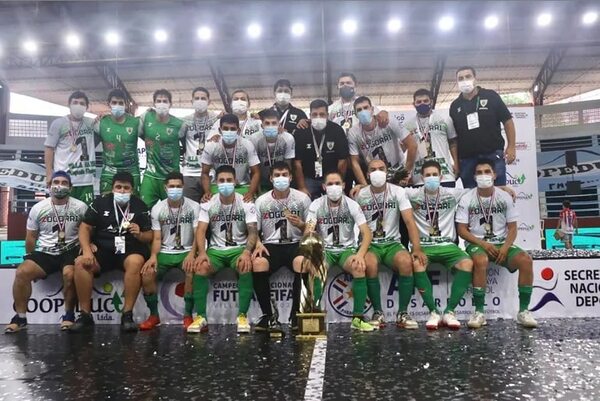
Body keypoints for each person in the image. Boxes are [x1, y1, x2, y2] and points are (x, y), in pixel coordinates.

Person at [456, 159, 537, 329]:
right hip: (478, 243)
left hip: (502, 243)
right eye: (479, 172)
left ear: (494, 175)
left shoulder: (505, 196)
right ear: (474, 176)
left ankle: (524, 311)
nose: (483, 175)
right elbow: (462, 230)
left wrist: (506, 247)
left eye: (487, 171)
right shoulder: (467, 198)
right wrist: (483, 244)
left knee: (525, 260)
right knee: (480, 260)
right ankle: (479, 312)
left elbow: (513, 228)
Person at [5, 171, 88, 333]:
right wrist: (30, 258)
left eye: (64, 183)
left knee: (70, 274)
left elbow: (87, 230)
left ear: (70, 188)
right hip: (45, 252)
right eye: (56, 182)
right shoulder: (38, 208)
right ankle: (20, 317)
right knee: (22, 272)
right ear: (49, 186)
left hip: (70, 251)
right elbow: (31, 237)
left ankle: (69, 315)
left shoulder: (80, 207)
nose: (60, 185)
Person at [70, 172, 153, 332]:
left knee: (136, 262)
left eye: (126, 188)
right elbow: (84, 227)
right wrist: (87, 250)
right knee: (80, 263)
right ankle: (85, 315)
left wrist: (140, 234)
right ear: (112, 188)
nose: (122, 191)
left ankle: (127, 314)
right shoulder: (100, 202)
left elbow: (151, 235)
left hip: (130, 249)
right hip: (103, 249)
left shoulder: (140, 206)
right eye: (118, 187)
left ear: (132, 190)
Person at [298, 170, 375, 332]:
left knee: (359, 267)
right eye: (330, 184)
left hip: (346, 250)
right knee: (317, 268)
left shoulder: (352, 204)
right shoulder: (316, 204)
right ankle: (315, 315)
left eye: (337, 184)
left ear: (344, 185)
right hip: (326, 250)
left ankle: (357, 318)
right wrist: (312, 250)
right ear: (324, 187)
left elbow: (367, 232)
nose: (334, 187)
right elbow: (308, 231)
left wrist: (360, 255)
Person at [354, 160, 424, 329]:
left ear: (387, 172)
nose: (377, 172)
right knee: (369, 263)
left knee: (406, 262)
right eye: (373, 169)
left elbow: (409, 221)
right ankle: (378, 312)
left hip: (392, 243)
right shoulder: (361, 195)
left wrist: (416, 247)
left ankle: (403, 313)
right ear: (367, 174)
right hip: (371, 244)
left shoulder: (398, 192)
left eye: (381, 169)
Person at [187, 165, 258, 334]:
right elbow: (201, 230)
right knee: (201, 266)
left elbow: (253, 231)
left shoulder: (246, 203)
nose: (225, 184)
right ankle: (201, 317)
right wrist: (202, 253)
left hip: (238, 249)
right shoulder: (208, 204)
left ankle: (242, 316)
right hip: (215, 251)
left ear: (235, 182)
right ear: (215, 183)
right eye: (221, 181)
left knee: (245, 265)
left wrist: (247, 252)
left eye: (229, 180)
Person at [404, 160, 474, 330]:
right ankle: (434, 312)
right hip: (424, 246)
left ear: (441, 176)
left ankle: (450, 311)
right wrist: (362, 187)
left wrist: (503, 188)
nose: (432, 178)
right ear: (422, 177)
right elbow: (388, 190)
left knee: (467, 263)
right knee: (416, 264)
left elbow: (477, 191)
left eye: (435, 175)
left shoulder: (452, 193)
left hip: (447, 245)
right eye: (428, 175)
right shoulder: (412, 194)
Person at [252, 162, 312, 333]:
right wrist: (257, 243)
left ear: (291, 177)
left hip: (295, 243)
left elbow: (311, 228)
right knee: (258, 264)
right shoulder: (261, 201)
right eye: (277, 175)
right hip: (271, 244)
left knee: (302, 262)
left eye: (284, 174)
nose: (281, 178)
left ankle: (296, 314)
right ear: (270, 178)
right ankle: (268, 316)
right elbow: (254, 229)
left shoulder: (302, 198)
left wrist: (301, 224)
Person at [139, 172, 201, 330]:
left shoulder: (194, 207)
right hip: (165, 252)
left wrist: (192, 255)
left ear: (183, 187)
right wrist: (153, 256)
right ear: (165, 188)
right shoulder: (157, 208)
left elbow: (197, 235)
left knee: (191, 270)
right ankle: (154, 315)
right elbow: (157, 238)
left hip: (186, 251)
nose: (175, 189)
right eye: (172, 186)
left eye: (178, 186)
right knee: (147, 273)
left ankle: (188, 315)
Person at [449, 66, 516, 188]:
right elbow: (454, 138)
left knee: (499, 193)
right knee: (472, 197)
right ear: (457, 82)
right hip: (467, 159)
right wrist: (456, 162)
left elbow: (508, 121)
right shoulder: (454, 106)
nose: (464, 80)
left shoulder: (491, 96)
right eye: (461, 78)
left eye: (468, 77)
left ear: (475, 78)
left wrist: (511, 147)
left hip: (493, 154)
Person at [348, 96, 417, 189]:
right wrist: (365, 186)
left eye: (365, 108)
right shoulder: (353, 132)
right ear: (355, 114)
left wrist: (406, 173)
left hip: (398, 172)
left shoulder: (388, 121)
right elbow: (354, 162)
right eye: (359, 110)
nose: (363, 112)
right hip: (376, 177)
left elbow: (412, 145)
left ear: (372, 109)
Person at [44, 91, 96, 205]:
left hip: (86, 180)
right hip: (64, 179)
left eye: (82, 103)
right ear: (69, 105)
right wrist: (48, 173)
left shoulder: (91, 123)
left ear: (87, 107)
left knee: (85, 217)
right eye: (75, 102)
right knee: (63, 214)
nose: (78, 105)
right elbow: (49, 148)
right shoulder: (59, 123)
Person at [294, 99, 349, 199]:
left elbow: (343, 160)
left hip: (331, 178)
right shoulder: (301, 132)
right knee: (302, 200)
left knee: (339, 202)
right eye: (314, 115)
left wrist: (337, 181)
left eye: (322, 114)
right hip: (309, 178)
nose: (318, 117)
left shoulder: (337, 130)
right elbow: (297, 163)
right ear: (309, 115)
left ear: (327, 115)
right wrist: (302, 187)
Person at [199, 113, 261, 202]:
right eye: (225, 128)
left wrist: (251, 193)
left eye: (232, 129)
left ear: (238, 130)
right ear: (220, 130)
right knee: (208, 204)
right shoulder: (211, 146)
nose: (229, 131)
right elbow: (205, 173)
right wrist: (207, 191)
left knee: (248, 205)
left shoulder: (247, 145)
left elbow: (256, 172)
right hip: (219, 186)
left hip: (242, 185)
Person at [403, 89, 459, 187]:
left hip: (445, 174)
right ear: (414, 104)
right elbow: (404, 148)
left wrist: (456, 163)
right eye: (419, 102)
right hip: (420, 177)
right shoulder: (408, 125)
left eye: (425, 101)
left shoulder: (444, 119)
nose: (422, 104)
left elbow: (453, 143)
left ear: (431, 102)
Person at [139, 89, 184, 208]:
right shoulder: (146, 117)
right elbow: (131, 130)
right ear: (154, 104)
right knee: (143, 209)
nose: (162, 103)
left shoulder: (179, 124)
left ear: (170, 104)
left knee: (173, 212)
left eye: (165, 101)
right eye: (158, 101)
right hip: (151, 176)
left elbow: (188, 145)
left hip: (171, 177)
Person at [96, 89, 143, 194]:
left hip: (131, 171)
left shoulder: (137, 123)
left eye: (120, 103)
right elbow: (89, 144)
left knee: (133, 205)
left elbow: (153, 139)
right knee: (106, 204)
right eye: (114, 102)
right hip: (109, 172)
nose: (117, 105)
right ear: (109, 104)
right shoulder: (100, 123)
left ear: (126, 105)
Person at [180, 87, 222, 202]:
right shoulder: (184, 121)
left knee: (211, 208)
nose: (200, 101)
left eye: (203, 98)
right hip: (189, 172)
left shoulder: (217, 119)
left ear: (209, 101)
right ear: (191, 101)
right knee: (189, 208)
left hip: (211, 172)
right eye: (197, 98)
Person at [249, 109, 295, 193]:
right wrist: (258, 191)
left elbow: (288, 165)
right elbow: (255, 168)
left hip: (280, 178)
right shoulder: (254, 139)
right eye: (267, 123)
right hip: (262, 179)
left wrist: (287, 187)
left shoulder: (288, 138)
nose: (270, 126)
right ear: (262, 125)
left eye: (274, 123)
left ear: (279, 124)